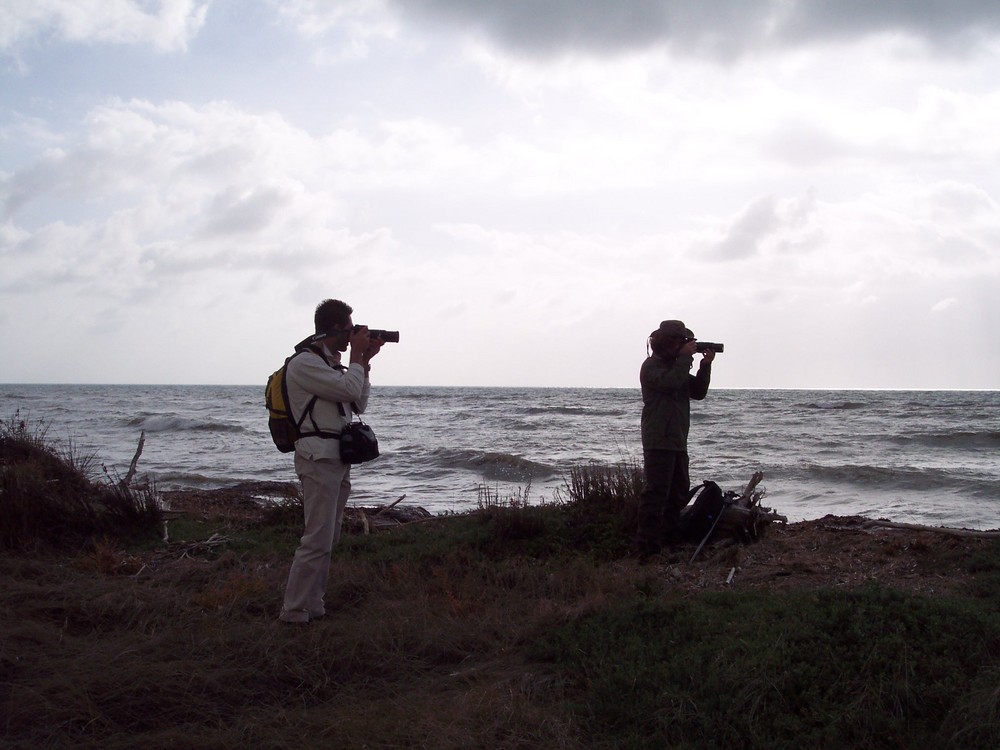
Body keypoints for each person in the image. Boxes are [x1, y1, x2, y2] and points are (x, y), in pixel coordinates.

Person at [279, 298, 384, 624]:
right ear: (333, 330)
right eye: (349, 331)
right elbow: (347, 390)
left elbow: (358, 402)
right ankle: (294, 612)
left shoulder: (329, 366)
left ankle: (314, 605)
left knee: (329, 537)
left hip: (336, 458)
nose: (352, 336)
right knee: (316, 538)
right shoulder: (304, 364)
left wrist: (363, 362)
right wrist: (356, 357)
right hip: (318, 458)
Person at [634, 319, 715, 562]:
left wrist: (705, 365)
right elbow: (669, 384)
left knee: (678, 494)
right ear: (670, 342)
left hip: (677, 439)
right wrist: (684, 359)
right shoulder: (652, 367)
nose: (685, 345)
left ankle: (668, 541)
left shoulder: (676, 368)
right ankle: (647, 549)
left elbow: (698, 392)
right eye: (681, 341)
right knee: (656, 495)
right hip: (659, 440)